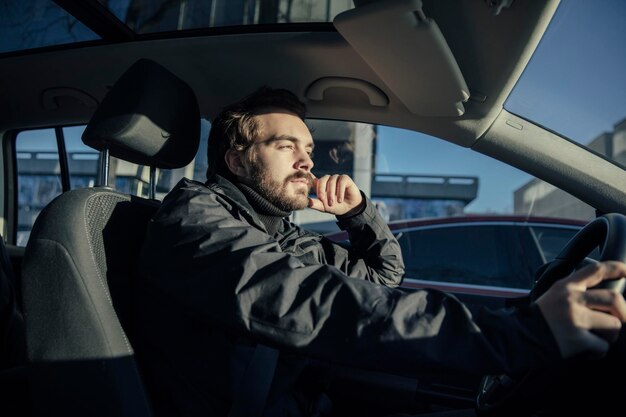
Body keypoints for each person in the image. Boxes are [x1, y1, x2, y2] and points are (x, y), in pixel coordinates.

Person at [135, 87, 626, 417]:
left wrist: (359, 215)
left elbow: (382, 277)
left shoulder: (279, 231)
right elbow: (310, 300)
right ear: (237, 159)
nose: (308, 160)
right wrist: (521, 332)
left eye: (308, 148)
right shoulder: (194, 221)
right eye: (287, 146)